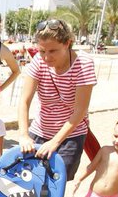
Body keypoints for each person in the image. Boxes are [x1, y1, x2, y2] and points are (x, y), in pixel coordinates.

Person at [17, 18, 97, 185]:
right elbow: (24, 101)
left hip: (70, 136)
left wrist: (55, 142)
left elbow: (80, 110)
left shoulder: (83, 64)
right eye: (42, 51)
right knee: (28, 184)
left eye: (52, 51)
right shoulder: (39, 62)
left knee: (53, 188)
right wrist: (24, 135)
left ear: (67, 43)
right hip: (40, 131)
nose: (46, 57)